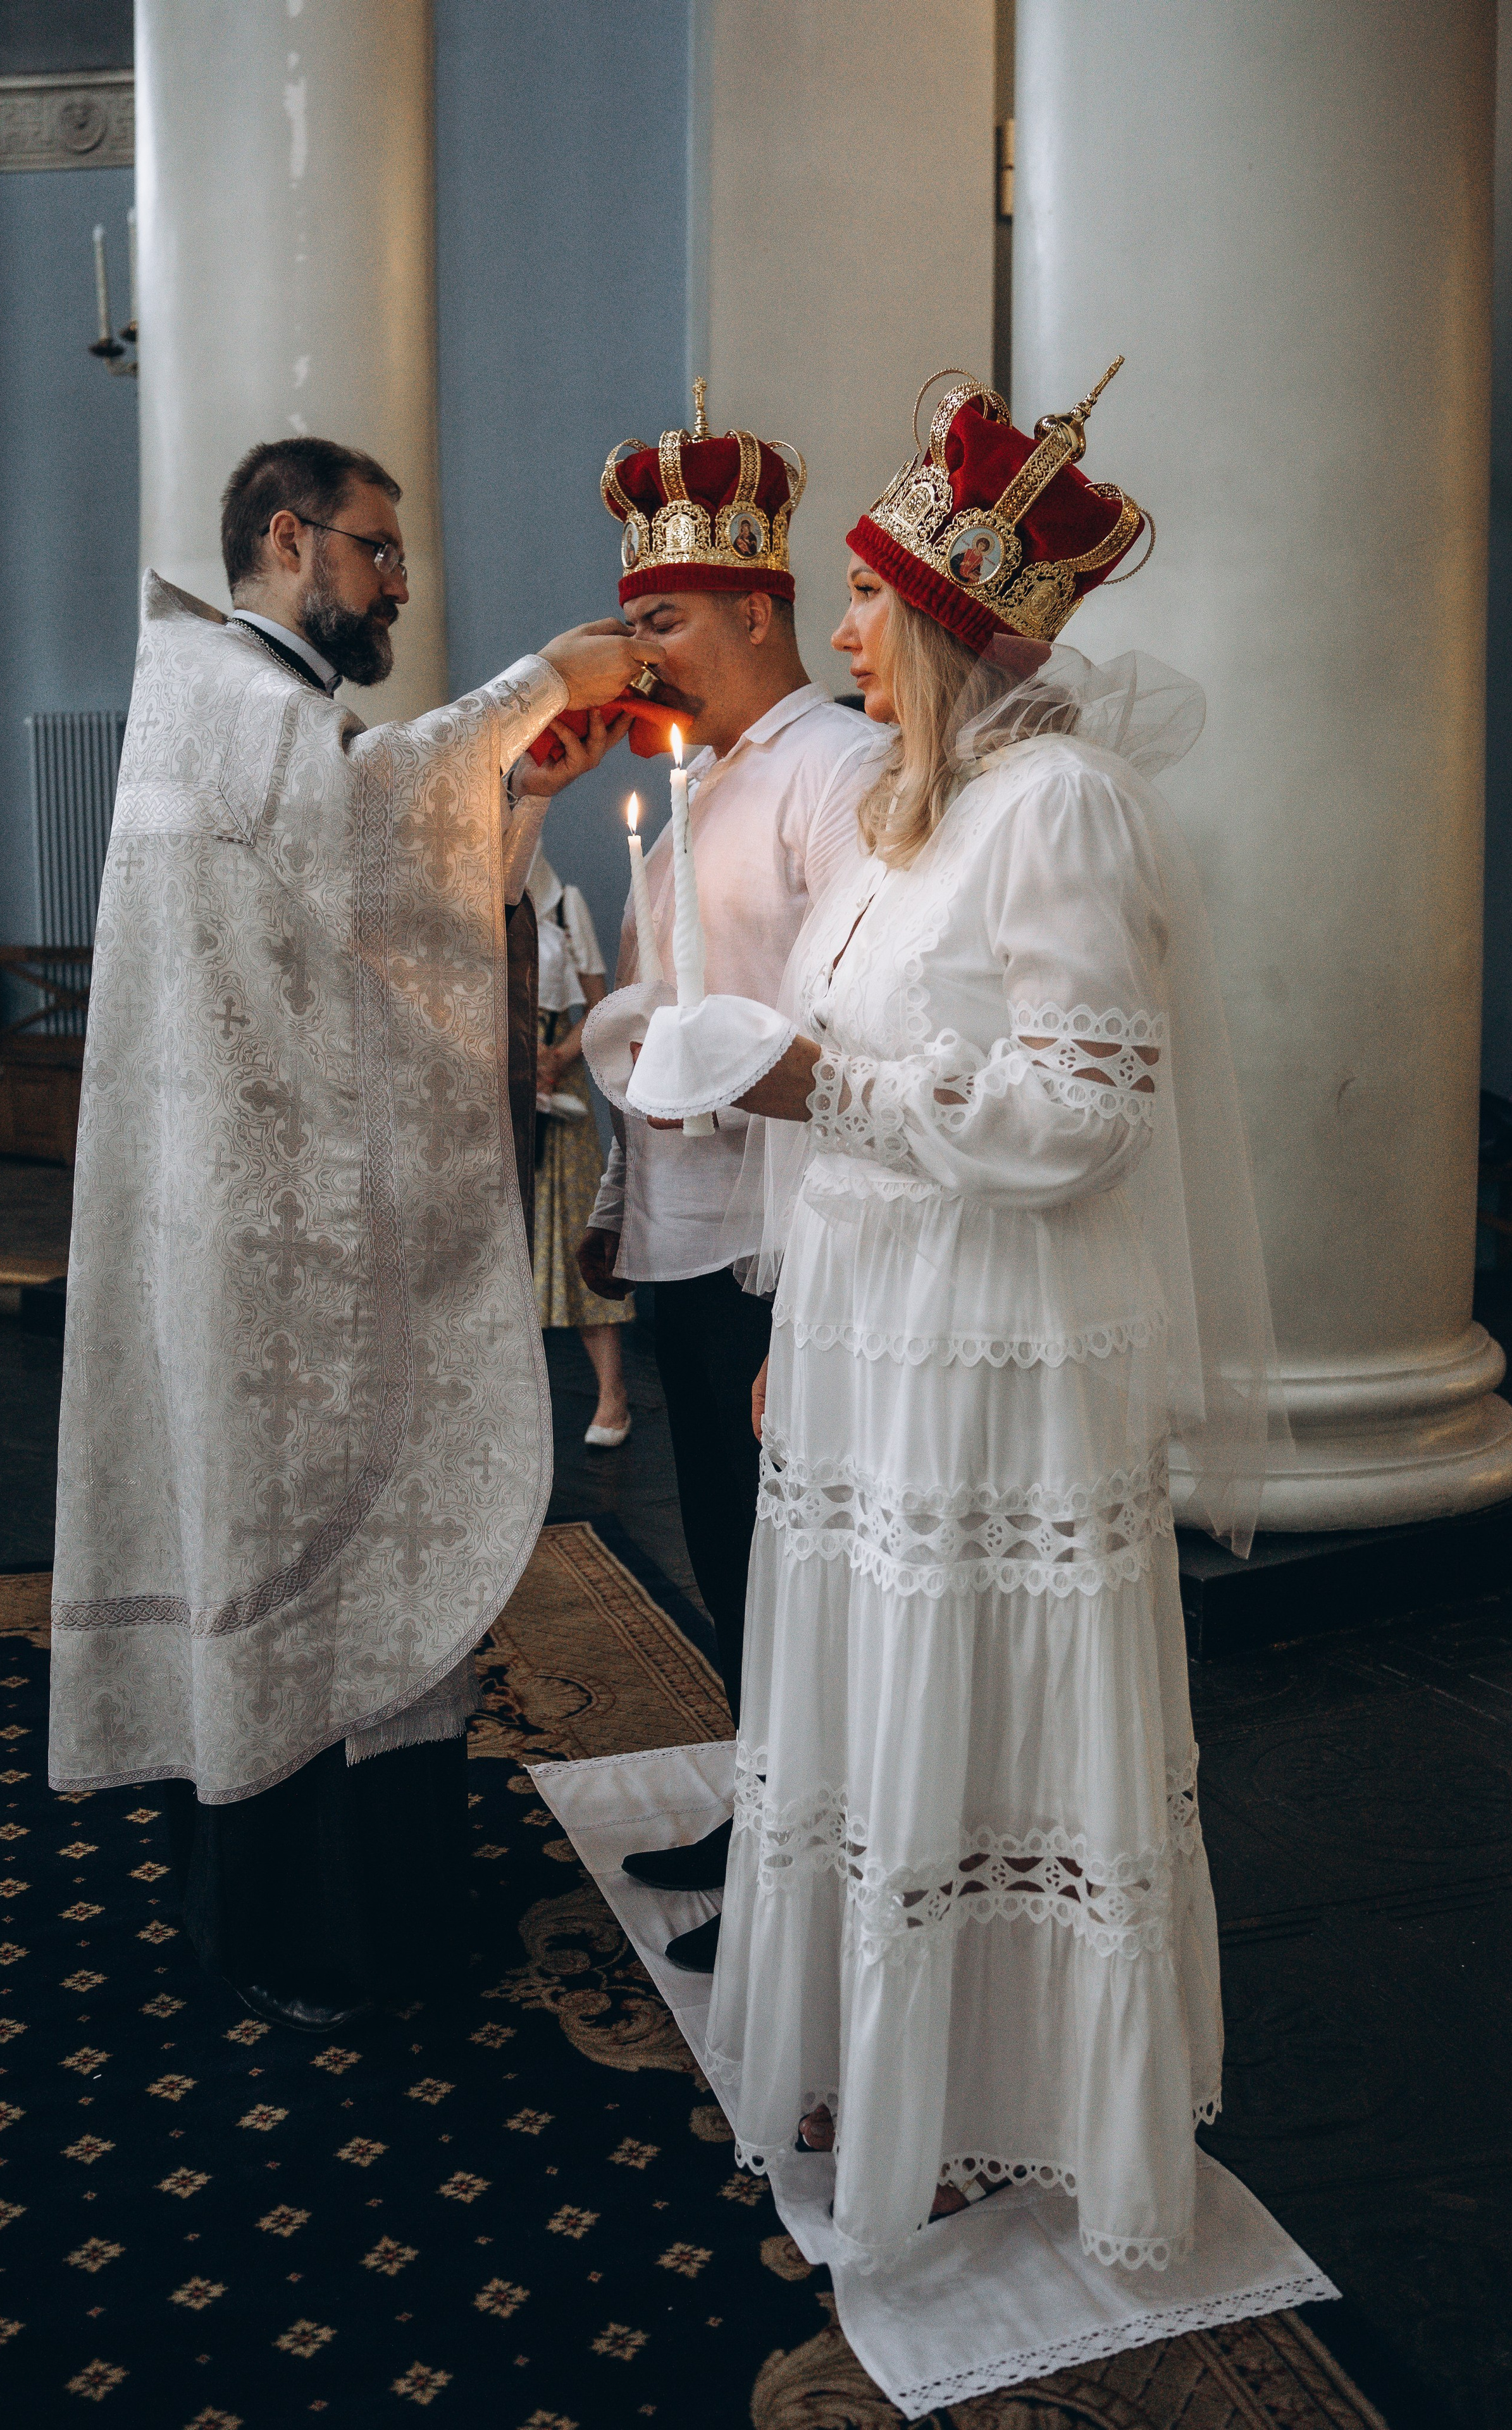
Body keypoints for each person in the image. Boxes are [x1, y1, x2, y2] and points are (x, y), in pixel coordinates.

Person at [626, 368, 1281, 2273]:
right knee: (868, 1696)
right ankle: (874, 2046)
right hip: (872, 1344)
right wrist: (796, 1315)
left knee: (978, 1709)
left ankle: (1001, 2088)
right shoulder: (929, 809)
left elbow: (1085, 1111)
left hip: (995, 1356)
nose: (832, 635)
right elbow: (877, 1062)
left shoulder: (1057, 805)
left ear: (930, 621)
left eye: (854, 602)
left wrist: (813, 1094)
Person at [47, 435, 647, 2033]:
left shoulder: (245, 705)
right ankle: (319, 1933)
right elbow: (367, 827)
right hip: (271, 1249)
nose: (395, 582)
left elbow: (373, 915)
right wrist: (538, 681)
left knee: (334, 1558)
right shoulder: (233, 699)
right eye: (376, 551)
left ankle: (359, 1897)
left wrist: (511, 793)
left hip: (278, 1224)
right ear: (288, 537)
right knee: (304, 1555)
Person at [576, 387, 886, 1969]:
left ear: (761, 608)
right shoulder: (698, 777)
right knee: (725, 1545)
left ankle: (809, 1876)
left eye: (668, 613)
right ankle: (765, 1808)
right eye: (631, 612)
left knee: (795, 1560)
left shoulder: (834, 765)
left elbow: (862, 1013)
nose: (639, 644)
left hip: (786, 1242)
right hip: (695, 1233)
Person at [526, 845, 634, 1445]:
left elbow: (600, 1005)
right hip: (496, 1080)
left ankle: (613, 1396)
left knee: (574, 1231)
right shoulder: (484, 905)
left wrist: (555, 1058)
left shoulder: (565, 906)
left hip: (555, 1076)